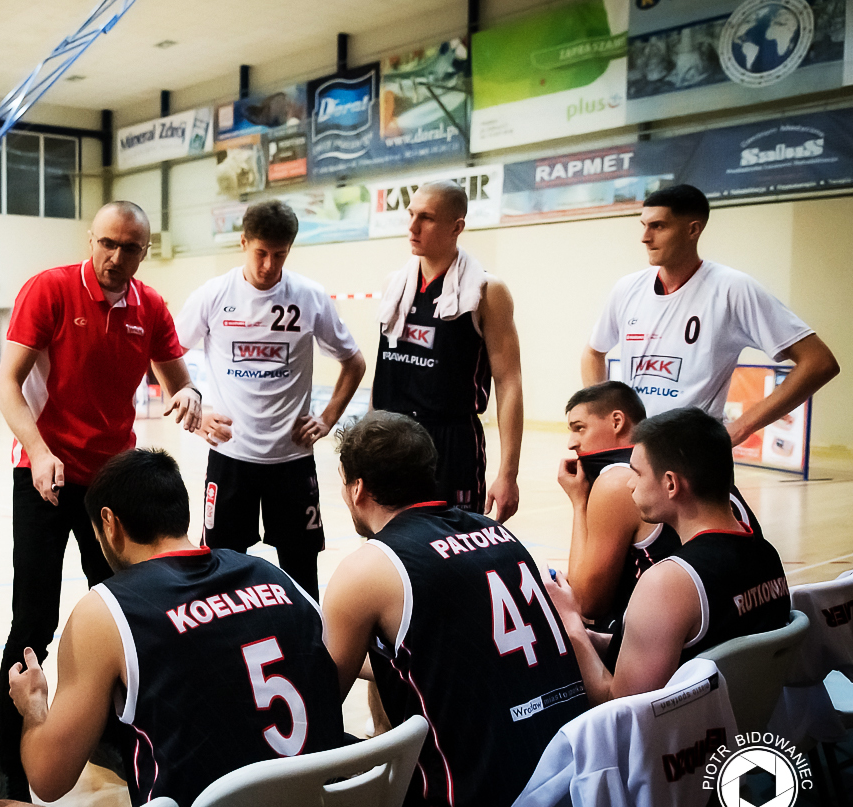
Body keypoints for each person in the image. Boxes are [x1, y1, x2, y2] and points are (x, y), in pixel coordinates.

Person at [0, 449, 343, 807]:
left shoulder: (108, 610)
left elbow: (48, 779)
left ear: (110, 524)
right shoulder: (276, 576)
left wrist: (34, 706)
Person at [0, 200, 203, 801]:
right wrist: (38, 450)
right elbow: (7, 383)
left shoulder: (150, 306)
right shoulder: (50, 290)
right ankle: (12, 763)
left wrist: (190, 398)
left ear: (145, 251)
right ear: (91, 239)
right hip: (44, 473)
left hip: (111, 484)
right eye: (107, 243)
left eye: (129, 247)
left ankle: (111, 736)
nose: (115, 256)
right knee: (33, 619)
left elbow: (179, 381)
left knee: (121, 609)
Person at [321, 412, 585, 807]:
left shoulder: (371, 567)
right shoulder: (499, 533)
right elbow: (441, 658)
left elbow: (320, 702)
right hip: (571, 783)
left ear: (357, 488)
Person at [176, 199, 366, 599]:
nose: (268, 265)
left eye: (279, 255)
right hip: (230, 458)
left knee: (301, 571)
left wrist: (328, 418)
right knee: (221, 570)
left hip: (291, 461)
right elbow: (166, 354)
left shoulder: (309, 296)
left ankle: (305, 634)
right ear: (243, 242)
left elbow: (354, 362)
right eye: (261, 253)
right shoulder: (214, 295)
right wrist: (198, 414)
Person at [545, 408, 791, 704]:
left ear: (671, 484)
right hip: (745, 717)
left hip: (687, 730)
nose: (630, 484)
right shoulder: (766, 554)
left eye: (637, 473)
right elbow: (676, 645)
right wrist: (591, 638)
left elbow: (622, 709)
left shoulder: (669, 583)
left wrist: (570, 623)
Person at [582, 183, 839, 445]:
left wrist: (740, 428)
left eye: (658, 226)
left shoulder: (732, 288)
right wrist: (601, 418)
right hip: (634, 448)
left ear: (693, 229)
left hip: (694, 451)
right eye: (644, 225)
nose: (645, 237)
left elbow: (819, 362)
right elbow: (593, 353)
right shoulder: (627, 288)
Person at [558, 381, 762, 639]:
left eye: (580, 428)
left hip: (683, 641)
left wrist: (579, 503)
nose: (572, 443)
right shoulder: (698, 464)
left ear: (617, 421)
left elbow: (586, 603)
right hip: (742, 624)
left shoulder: (616, 481)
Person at [372, 180, 523, 521]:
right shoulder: (394, 285)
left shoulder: (487, 291)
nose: (412, 227)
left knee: (453, 542)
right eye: (411, 215)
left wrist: (508, 473)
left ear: (457, 227)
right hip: (392, 437)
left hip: (452, 444)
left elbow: (509, 381)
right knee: (390, 542)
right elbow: (385, 372)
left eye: (426, 218)